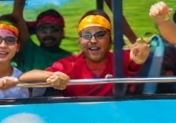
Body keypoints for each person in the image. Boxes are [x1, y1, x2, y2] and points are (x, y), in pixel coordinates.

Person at [18, 12, 150, 97]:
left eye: (100, 35)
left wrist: (141, 54)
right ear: (79, 41)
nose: (93, 40)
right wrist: (53, 76)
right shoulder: (70, 64)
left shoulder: (121, 58)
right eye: (87, 35)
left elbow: (136, 57)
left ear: (109, 39)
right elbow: (25, 78)